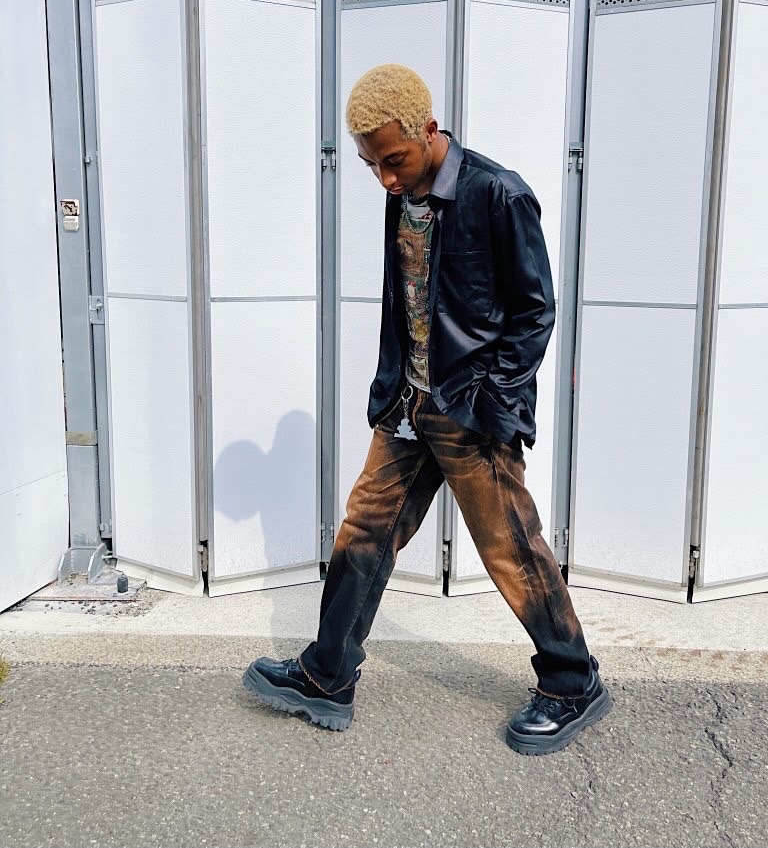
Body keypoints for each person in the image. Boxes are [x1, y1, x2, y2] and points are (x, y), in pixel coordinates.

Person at [243, 63, 611, 755]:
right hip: (409, 403)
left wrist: (491, 402)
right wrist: (395, 387)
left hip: (470, 410)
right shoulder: (403, 194)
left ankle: (572, 681)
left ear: (428, 130)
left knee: (509, 547)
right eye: (371, 164)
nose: (384, 178)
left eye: (393, 159)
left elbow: (535, 312)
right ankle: (327, 675)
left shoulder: (498, 193)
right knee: (364, 529)